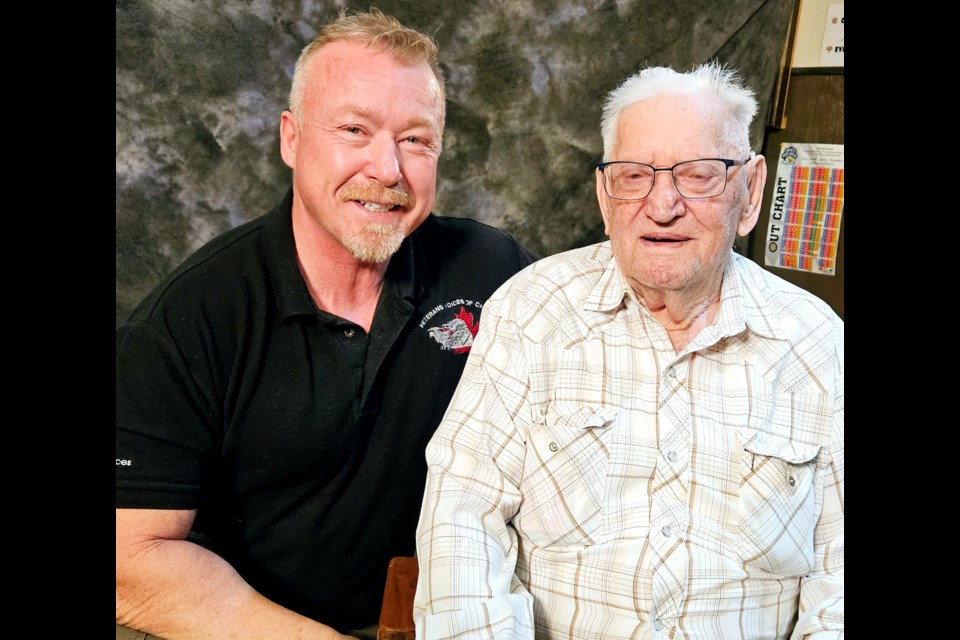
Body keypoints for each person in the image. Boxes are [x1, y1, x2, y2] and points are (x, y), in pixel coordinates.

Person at [115, 9, 538, 640]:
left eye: (416, 140)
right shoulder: (190, 321)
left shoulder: (492, 269)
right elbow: (132, 563)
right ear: (290, 139)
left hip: (451, 620)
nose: (388, 169)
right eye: (353, 129)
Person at [413, 61, 843, 640]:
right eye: (634, 175)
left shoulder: (817, 343)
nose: (662, 205)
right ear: (604, 195)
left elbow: (838, 586)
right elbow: (461, 521)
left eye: (698, 175)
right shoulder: (531, 313)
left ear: (750, 191)